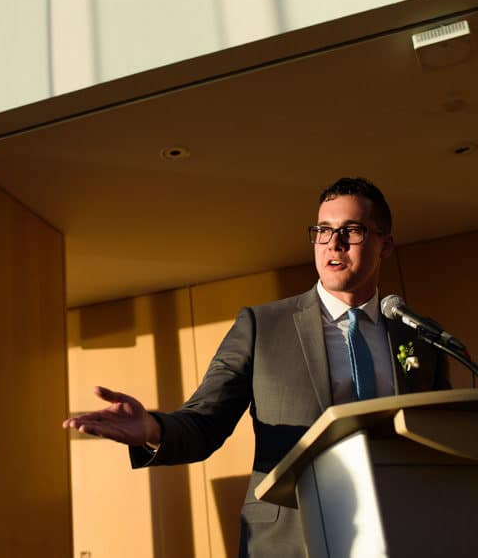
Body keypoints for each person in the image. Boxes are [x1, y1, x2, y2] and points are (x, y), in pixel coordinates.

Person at [62, 177, 450, 557]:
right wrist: (151, 427)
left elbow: (444, 437)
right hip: (293, 539)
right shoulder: (263, 326)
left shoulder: (417, 336)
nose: (334, 243)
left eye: (352, 230)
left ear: (385, 245)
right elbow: (205, 421)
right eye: (323, 230)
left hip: (404, 532)